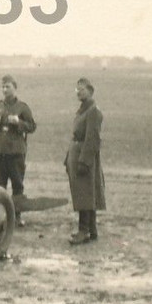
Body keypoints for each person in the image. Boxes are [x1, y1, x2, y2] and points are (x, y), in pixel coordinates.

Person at [0, 74, 36, 226]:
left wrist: (19, 122)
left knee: (17, 184)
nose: (4, 90)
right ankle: (0, 217)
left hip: (16, 152)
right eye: (3, 87)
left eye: (8, 87)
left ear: (15, 88)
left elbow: (32, 126)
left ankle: (17, 216)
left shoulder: (22, 107)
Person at [65, 77, 105, 245]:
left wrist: (84, 162)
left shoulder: (93, 112)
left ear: (90, 90)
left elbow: (92, 139)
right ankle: (91, 230)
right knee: (87, 193)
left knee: (85, 194)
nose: (78, 92)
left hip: (84, 157)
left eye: (81, 89)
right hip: (78, 155)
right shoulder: (83, 111)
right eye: (77, 89)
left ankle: (84, 231)